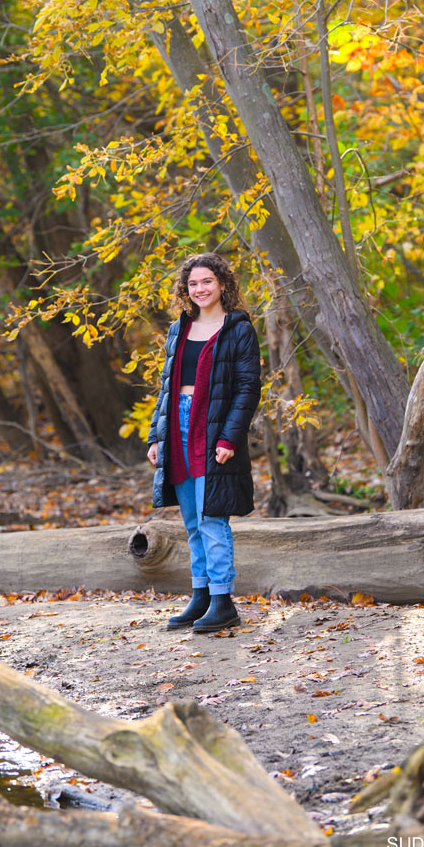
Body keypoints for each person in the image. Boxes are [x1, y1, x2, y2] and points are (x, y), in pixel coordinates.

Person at [147, 253, 261, 632]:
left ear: (223, 284)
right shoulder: (179, 328)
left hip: (212, 427)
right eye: (193, 284)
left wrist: (230, 435)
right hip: (177, 423)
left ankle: (222, 601)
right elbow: (166, 386)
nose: (200, 289)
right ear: (186, 289)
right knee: (192, 518)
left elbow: (247, 389)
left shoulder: (238, 329)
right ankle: (200, 595)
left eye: (207, 282)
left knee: (212, 515)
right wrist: (155, 436)